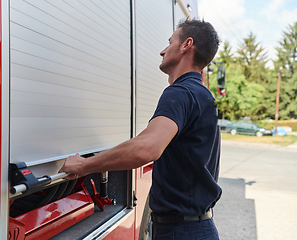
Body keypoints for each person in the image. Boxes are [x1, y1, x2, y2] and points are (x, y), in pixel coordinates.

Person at [59, 19, 221, 240]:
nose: (163, 51)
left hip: (181, 232)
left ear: (186, 45)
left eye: (170, 42)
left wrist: (84, 165)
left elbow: (146, 148)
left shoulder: (180, 93)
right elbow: (146, 140)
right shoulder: (202, 95)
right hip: (194, 228)